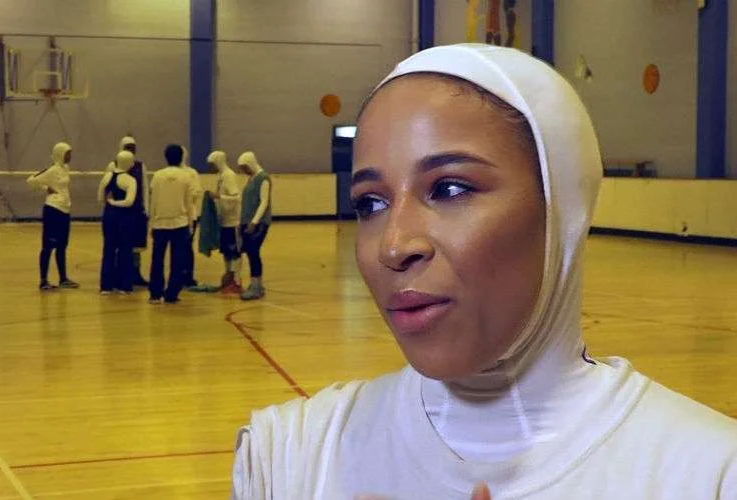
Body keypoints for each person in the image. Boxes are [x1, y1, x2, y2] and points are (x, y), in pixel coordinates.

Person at [230, 44, 737, 499]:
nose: (393, 245)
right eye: (371, 202)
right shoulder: (287, 457)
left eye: (450, 189)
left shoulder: (711, 473)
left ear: (561, 207)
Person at [26, 141, 80, 291]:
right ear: (60, 154)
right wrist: (46, 188)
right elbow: (31, 181)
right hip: (53, 211)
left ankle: (63, 279)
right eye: (67, 153)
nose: (70, 156)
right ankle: (43, 280)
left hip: (65, 211)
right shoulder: (52, 170)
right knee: (48, 246)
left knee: (62, 246)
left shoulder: (66, 169)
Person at [148, 144, 196, 304]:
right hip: (180, 224)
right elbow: (189, 203)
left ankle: (155, 294)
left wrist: (152, 223)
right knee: (178, 260)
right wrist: (190, 224)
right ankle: (172, 294)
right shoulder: (186, 176)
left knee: (157, 260)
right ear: (182, 157)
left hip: (160, 223)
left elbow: (153, 201)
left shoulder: (157, 176)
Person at [195, 150, 243, 293]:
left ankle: (236, 280)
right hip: (223, 220)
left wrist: (218, 196)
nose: (210, 167)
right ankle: (228, 277)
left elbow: (236, 198)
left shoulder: (229, 176)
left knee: (235, 252)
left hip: (232, 222)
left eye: (212, 164)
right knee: (226, 252)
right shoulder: (221, 176)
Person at [106, 136, 150, 287]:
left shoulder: (140, 166)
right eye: (128, 147)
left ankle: (135, 274)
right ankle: (119, 275)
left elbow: (144, 187)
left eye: (133, 147)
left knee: (136, 244)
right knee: (119, 244)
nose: (131, 150)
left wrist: (146, 209)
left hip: (136, 211)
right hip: (119, 212)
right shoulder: (112, 165)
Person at [98, 150, 138, 295]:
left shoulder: (107, 176)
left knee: (108, 250)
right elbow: (129, 202)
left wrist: (110, 203)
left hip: (108, 216)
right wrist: (115, 202)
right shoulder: (130, 180)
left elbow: (100, 198)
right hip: (124, 217)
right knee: (125, 250)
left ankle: (106, 286)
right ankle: (124, 285)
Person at [236, 151, 271, 301]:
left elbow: (264, 202)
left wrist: (254, 222)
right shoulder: (251, 178)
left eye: (245, 167)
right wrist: (241, 222)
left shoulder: (264, 179)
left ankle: (256, 287)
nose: (243, 171)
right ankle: (255, 284)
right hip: (247, 222)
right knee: (250, 253)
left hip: (259, 223)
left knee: (253, 252)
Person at [181, 146, 204, 287]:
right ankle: (177, 275)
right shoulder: (168, 174)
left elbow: (196, 192)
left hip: (190, 216)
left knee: (187, 247)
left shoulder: (192, 173)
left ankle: (188, 276)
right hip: (175, 216)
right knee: (176, 248)